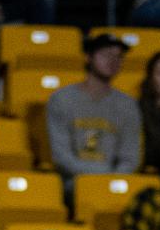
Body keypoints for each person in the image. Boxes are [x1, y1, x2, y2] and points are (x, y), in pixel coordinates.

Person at [45, 34, 142, 190]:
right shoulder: (62, 99)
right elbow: (61, 156)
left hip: (114, 185)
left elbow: (130, 157)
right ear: (88, 57)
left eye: (118, 56)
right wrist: (98, 179)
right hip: (72, 183)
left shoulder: (128, 105)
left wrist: (111, 182)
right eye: (106, 54)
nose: (113, 60)